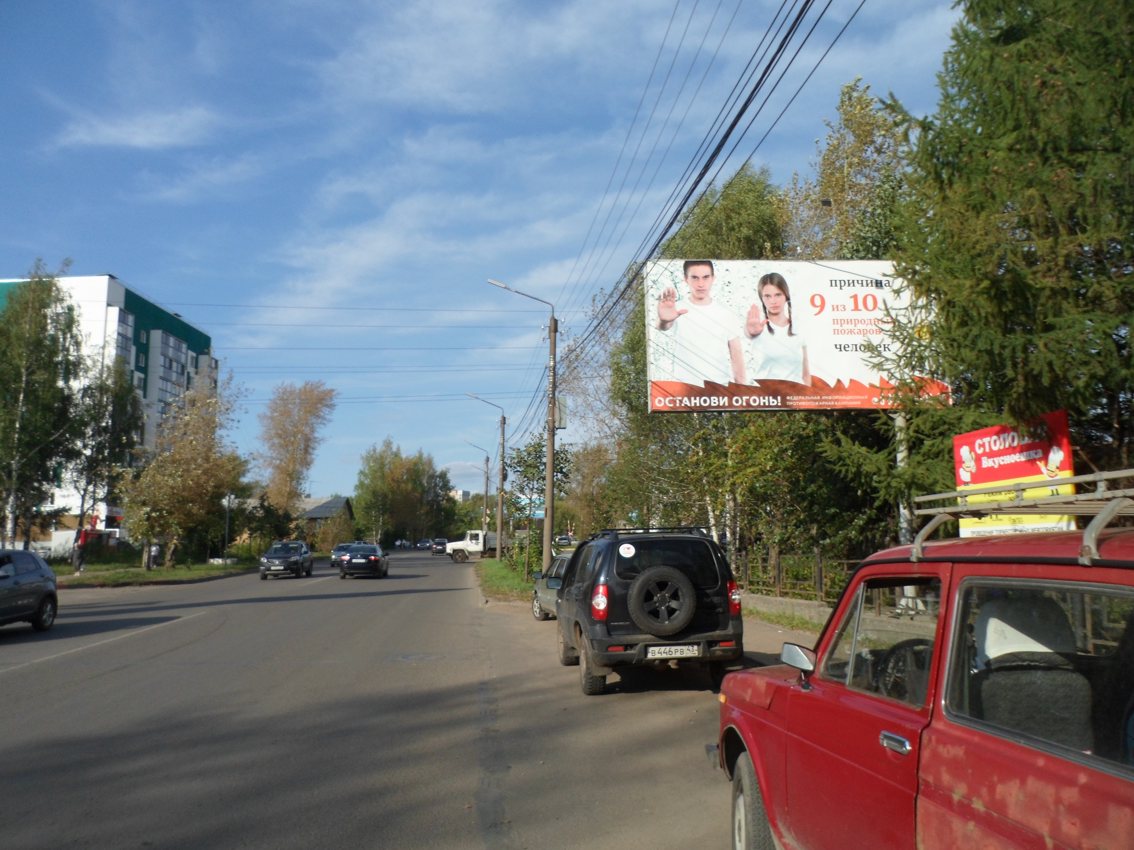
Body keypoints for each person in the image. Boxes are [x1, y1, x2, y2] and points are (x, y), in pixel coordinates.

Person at [656, 260, 746, 385]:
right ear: (686, 279)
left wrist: (742, 391)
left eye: (705, 277)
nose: (700, 284)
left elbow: (736, 354)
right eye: (695, 278)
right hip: (685, 390)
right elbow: (662, 327)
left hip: (719, 389)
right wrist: (663, 320)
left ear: (713, 278)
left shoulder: (726, 313)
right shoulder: (677, 308)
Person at [745, 271, 811, 385]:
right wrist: (749, 332)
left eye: (778, 295)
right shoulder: (757, 329)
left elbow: (806, 375)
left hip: (793, 399)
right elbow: (748, 333)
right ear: (762, 298)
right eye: (767, 296)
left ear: (786, 295)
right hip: (764, 399)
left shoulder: (799, 329)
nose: (773, 301)